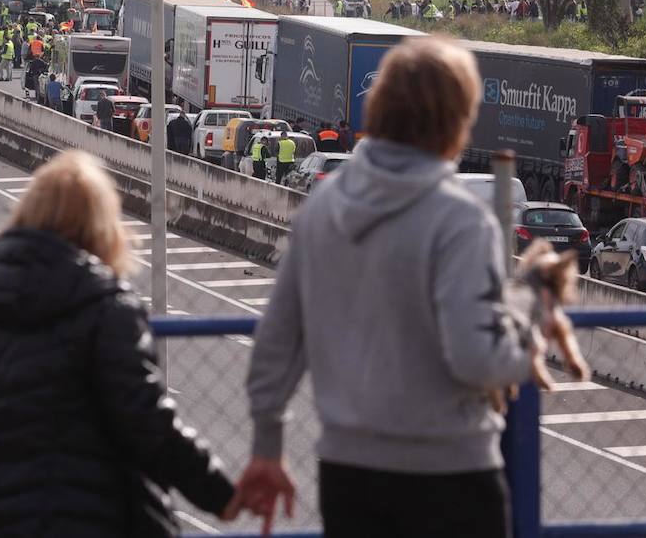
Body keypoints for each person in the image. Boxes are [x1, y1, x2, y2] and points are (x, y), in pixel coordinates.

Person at [231, 37, 549, 538]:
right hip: (451, 475)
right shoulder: (463, 221)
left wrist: (267, 447)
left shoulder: (322, 209)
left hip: (349, 476)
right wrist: (531, 326)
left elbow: (277, 342)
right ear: (456, 121)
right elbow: (477, 359)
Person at [0, 151, 243, 537]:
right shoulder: (106, 307)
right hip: (88, 514)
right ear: (99, 223)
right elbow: (146, 421)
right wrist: (221, 494)